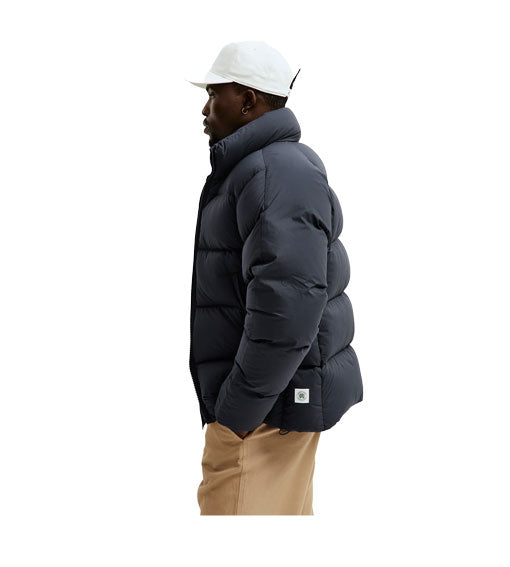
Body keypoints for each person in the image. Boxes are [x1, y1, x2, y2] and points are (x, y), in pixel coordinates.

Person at [185, 41, 363, 515]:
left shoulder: (274, 171)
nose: (204, 109)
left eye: (214, 94)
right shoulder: (264, 168)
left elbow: (289, 306)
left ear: (248, 100)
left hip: (263, 420)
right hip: (271, 410)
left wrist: (237, 414)